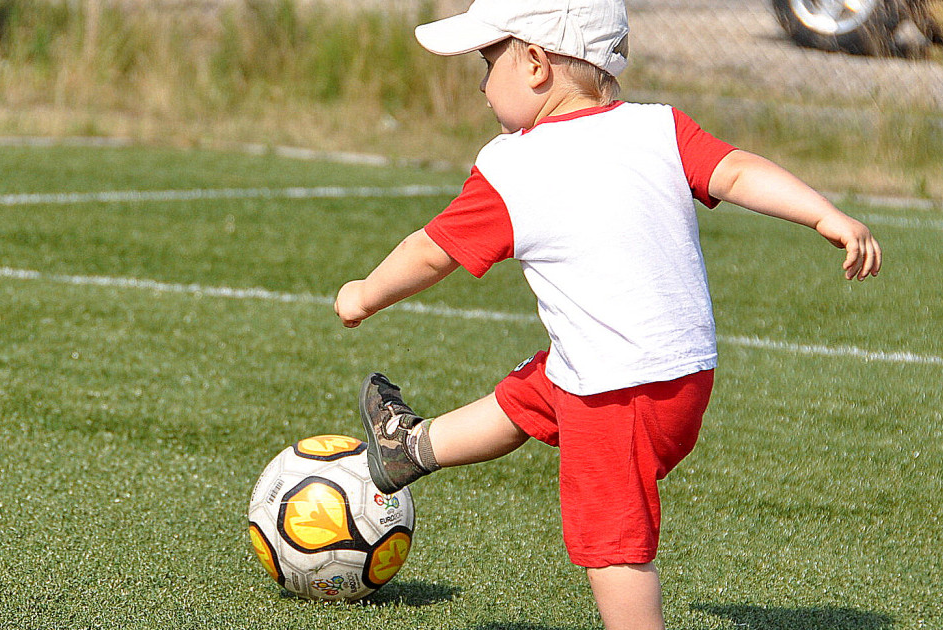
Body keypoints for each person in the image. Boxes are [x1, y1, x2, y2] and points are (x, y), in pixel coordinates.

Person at [334, 0, 882, 627]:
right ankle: (413, 448)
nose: (483, 85)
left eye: (488, 63)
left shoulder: (514, 165)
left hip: (616, 395)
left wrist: (364, 293)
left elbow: (432, 253)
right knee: (536, 392)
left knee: (614, 544)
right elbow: (734, 170)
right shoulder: (659, 128)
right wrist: (824, 214)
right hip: (682, 378)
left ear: (536, 64)